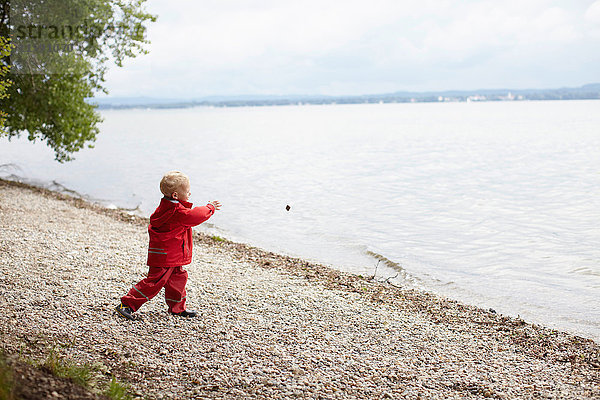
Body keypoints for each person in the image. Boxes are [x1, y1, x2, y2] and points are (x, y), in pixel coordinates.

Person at [116, 171, 221, 320]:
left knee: (178, 279)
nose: (190, 193)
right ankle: (126, 304)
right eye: (187, 191)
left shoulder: (165, 207)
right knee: (154, 282)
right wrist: (210, 207)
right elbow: (195, 216)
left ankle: (177, 308)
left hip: (170, 255)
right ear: (175, 195)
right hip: (166, 256)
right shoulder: (176, 212)